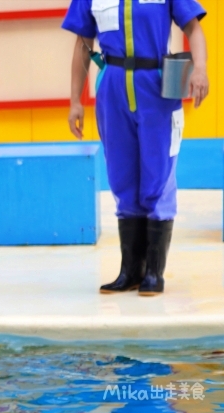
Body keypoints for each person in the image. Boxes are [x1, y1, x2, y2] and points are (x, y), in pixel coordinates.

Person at [65, 0, 209, 296]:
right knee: (122, 177)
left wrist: (200, 69)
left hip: (156, 84)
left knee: (158, 175)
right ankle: (130, 271)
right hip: (112, 86)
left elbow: (193, 27)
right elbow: (82, 44)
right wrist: (75, 101)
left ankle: (154, 273)